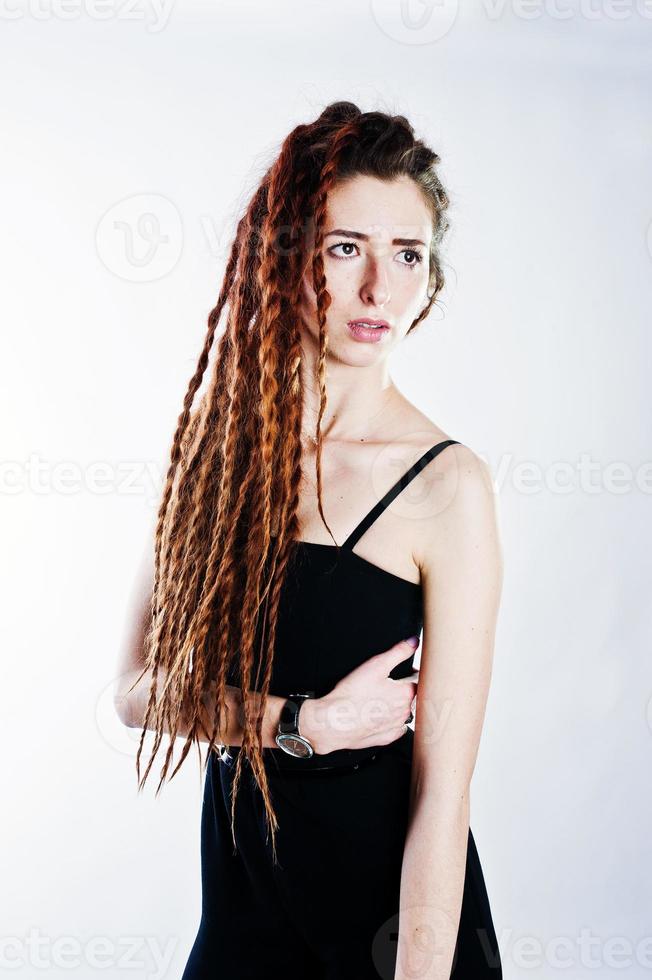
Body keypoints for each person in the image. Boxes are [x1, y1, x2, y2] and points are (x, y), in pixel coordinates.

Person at [114, 101, 504, 980]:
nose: (380, 290)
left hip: (396, 942)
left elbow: (443, 797)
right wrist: (306, 724)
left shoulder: (447, 486)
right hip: (244, 926)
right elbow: (137, 692)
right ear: (285, 256)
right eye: (345, 248)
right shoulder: (217, 456)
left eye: (408, 255)